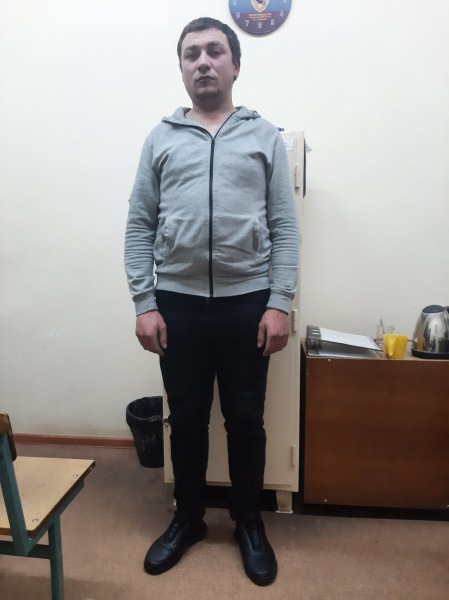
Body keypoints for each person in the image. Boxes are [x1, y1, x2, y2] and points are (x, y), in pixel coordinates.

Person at [124, 17, 300, 587]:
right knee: (187, 419)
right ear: (182, 68)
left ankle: (249, 520)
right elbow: (139, 225)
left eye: (214, 51)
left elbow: (284, 227)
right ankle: (189, 518)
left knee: (246, 420)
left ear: (235, 65)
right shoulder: (160, 139)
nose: (203, 61)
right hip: (176, 304)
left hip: (248, 303)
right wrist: (144, 302)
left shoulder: (263, 135)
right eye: (192, 53)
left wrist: (279, 301)